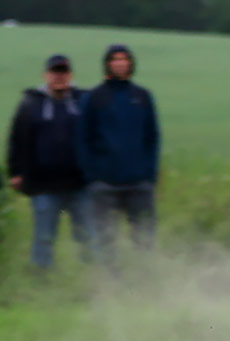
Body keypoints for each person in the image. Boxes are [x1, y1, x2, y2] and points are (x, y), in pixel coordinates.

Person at [5, 53, 92, 269]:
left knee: (88, 235)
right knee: (44, 237)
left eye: (63, 72)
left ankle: (93, 276)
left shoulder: (83, 102)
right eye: (55, 72)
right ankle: (42, 278)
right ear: (46, 75)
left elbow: (97, 136)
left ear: (70, 75)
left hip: (79, 184)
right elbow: (16, 139)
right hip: (43, 185)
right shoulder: (30, 104)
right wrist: (15, 172)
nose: (59, 77)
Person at [75, 44, 159, 253]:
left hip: (138, 182)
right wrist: (92, 175)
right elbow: (83, 138)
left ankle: (145, 270)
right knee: (105, 239)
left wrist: (149, 174)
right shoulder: (94, 98)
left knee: (144, 235)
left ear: (130, 64)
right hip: (104, 184)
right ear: (107, 64)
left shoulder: (142, 96)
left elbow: (152, 137)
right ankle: (108, 273)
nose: (120, 63)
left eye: (124, 59)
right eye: (115, 59)